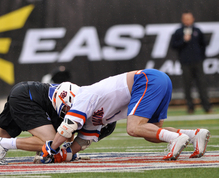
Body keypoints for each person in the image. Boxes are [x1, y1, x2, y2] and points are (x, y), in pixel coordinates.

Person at [39, 69, 210, 163]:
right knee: (153, 133)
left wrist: (52, 148)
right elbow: (84, 140)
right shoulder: (89, 107)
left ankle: (175, 138)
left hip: (146, 80)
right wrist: (65, 154)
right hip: (157, 80)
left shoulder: (83, 97)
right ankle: (195, 135)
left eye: (63, 109)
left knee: (134, 128)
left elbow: (68, 126)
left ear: (66, 98)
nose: (64, 113)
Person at [171, 11, 212, 114]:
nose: (187, 20)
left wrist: (201, 57)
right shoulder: (178, 32)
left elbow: (203, 44)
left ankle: (207, 107)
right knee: (187, 85)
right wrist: (183, 41)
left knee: (202, 84)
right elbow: (173, 45)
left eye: (189, 18)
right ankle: (190, 107)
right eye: (185, 18)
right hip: (185, 62)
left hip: (197, 61)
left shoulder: (197, 30)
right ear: (182, 19)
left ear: (193, 19)